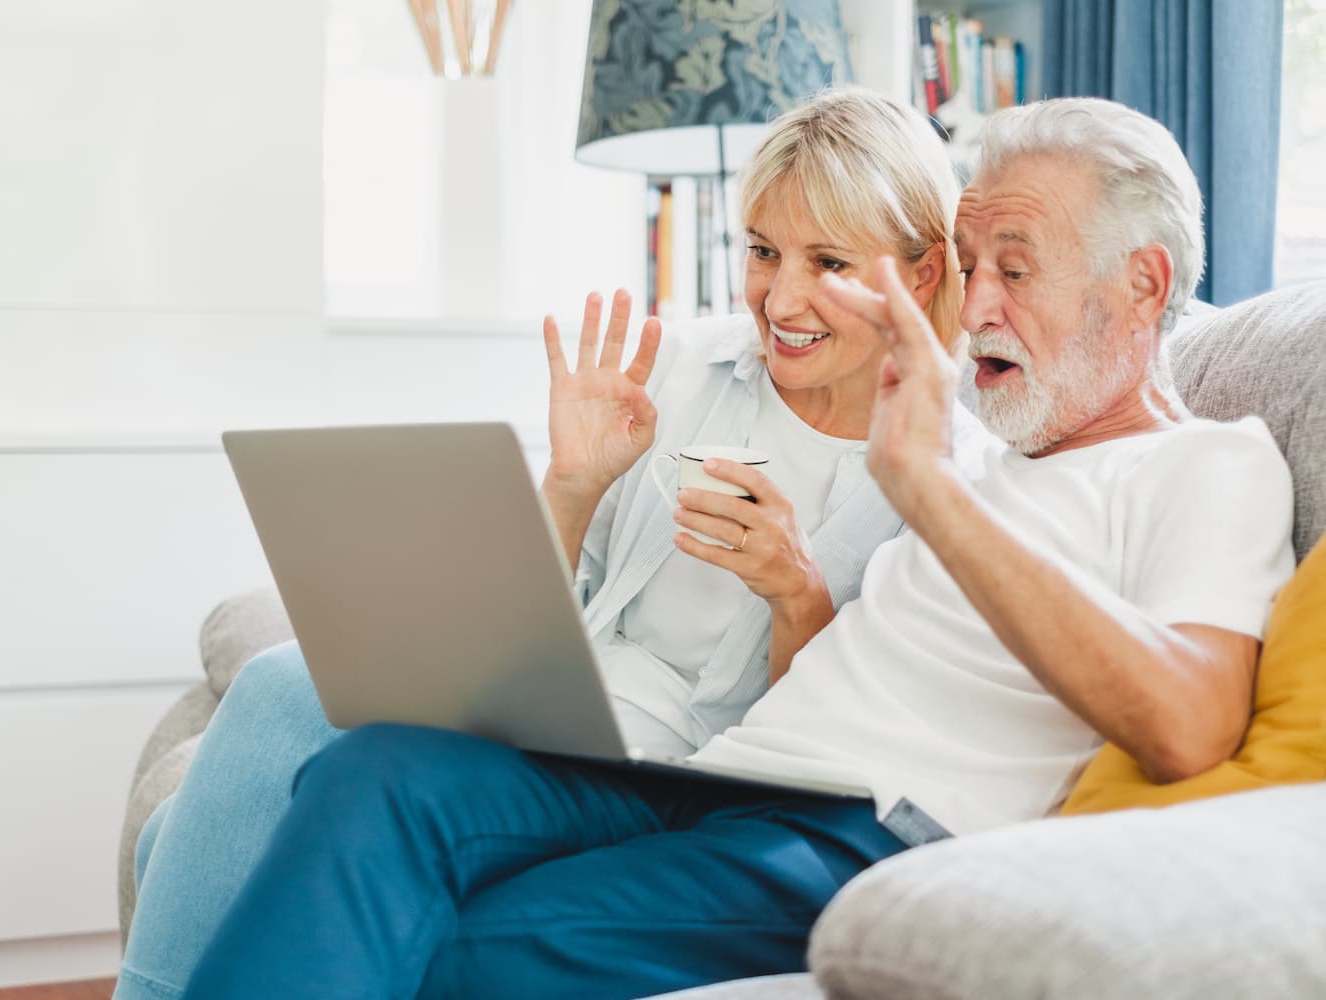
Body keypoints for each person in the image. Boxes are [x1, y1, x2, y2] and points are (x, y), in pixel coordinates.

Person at [178, 98, 1297, 1000]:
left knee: (462, 952)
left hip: (869, 833)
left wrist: (933, 496)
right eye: (971, 265)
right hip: (721, 779)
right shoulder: (981, 457)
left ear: (1142, 284)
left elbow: (1193, 725)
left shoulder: (1206, 465)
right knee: (376, 771)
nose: (980, 305)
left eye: (1015, 266)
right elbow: (814, 678)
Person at [115, 86, 974, 1000]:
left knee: (190, 829)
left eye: (829, 261)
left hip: (694, 777)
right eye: (762, 252)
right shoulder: (686, 367)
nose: (783, 297)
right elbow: (546, 607)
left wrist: (796, 592)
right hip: (561, 713)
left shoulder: (941, 469)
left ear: (919, 274)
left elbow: (825, 744)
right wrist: (573, 484)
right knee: (274, 688)